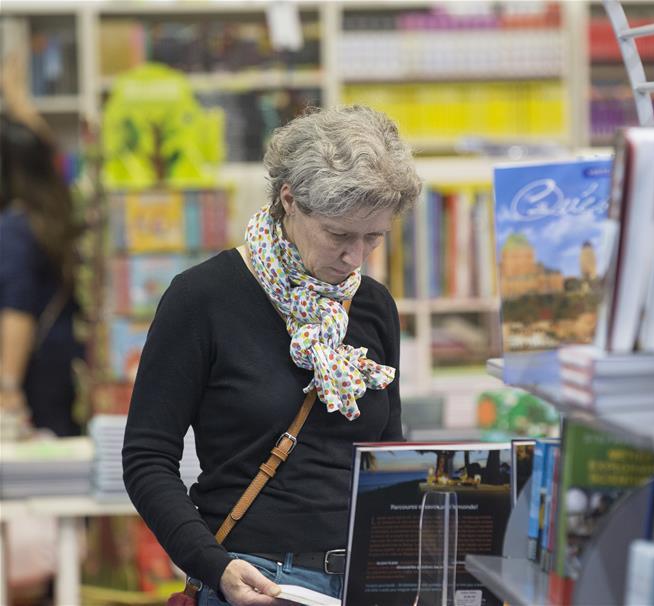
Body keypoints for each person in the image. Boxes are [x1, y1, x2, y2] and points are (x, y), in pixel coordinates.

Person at [123, 105, 421, 606]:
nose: (356, 258)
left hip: (363, 580)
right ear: (289, 201)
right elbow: (147, 458)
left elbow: (385, 457)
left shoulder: (371, 305)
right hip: (253, 578)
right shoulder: (203, 298)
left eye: (374, 237)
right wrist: (214, 567)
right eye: (339, 235)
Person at [0, 51, 82, 439]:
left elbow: (17, 312)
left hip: (29, 380)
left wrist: (7, 389)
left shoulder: (13, 229)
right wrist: (15, 96)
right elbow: (48, 154)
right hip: (58, 366)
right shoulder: (55, 208)